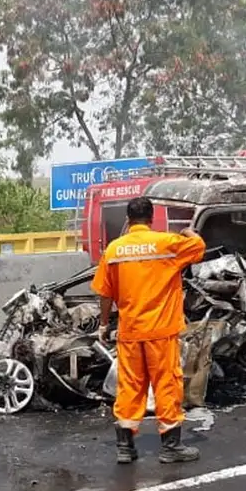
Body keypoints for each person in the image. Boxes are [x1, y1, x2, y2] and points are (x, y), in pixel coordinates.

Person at [91, 196, 206, 464]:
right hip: (161, 332)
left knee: (129, 386)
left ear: (128, 220)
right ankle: (171, 447)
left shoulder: (114, 250)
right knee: (166, 384)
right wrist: (188, 231)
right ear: (151, 218)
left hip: (130, 332)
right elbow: (198, 247)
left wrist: (105, 324)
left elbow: (105, 293)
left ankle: (125, 447)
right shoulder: (167, 244)